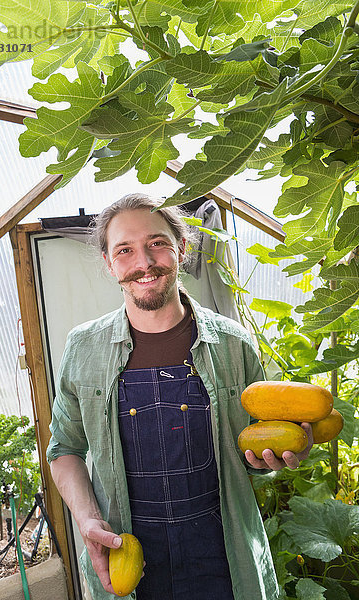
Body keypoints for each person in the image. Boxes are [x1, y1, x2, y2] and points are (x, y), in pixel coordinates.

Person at [46, 193, 313, 600]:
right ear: (109, 263)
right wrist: (86, 520)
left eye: (157, 243)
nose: (144, 262)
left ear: (182, 249)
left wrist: (275, 457)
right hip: (127, 554)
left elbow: (256, 455)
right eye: (125, 250)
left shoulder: (233, 344)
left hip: (224, 553)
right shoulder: (84, 348)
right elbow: (64, 449)